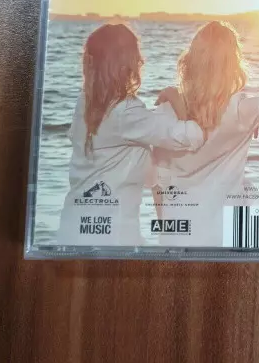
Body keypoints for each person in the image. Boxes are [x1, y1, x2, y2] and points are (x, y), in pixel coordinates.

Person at [152, 21, 259, 246]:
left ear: (189, 62)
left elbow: (158, 183)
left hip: (178, 236)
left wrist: (168, 233)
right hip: (226, 236)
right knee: (256, 201)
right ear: (232, 66)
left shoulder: (165, 112)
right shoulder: (242, 110)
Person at [57, 24, 205, 247]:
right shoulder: (125, 110)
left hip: (73, 230)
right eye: (136, 55)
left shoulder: (85, 103)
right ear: (123, 63)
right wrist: (176, 99)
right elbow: (191, 137)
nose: (141, 61)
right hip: (111, 239)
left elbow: (137, 135)